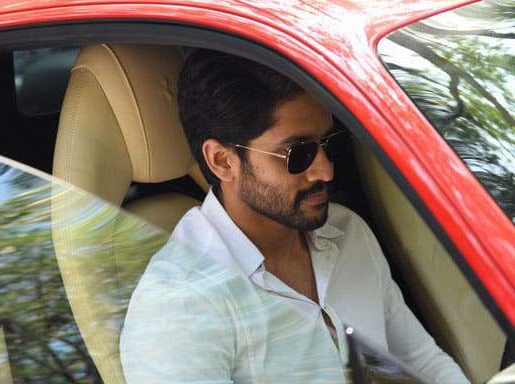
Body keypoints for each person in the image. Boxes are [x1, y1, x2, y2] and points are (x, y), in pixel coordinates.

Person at [119, 49, 468, 383]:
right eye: (296, 154)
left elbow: (420, 360)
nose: (326, 171)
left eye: (329, 144)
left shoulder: (347, 230)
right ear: (223, 161)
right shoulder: (178, 306)